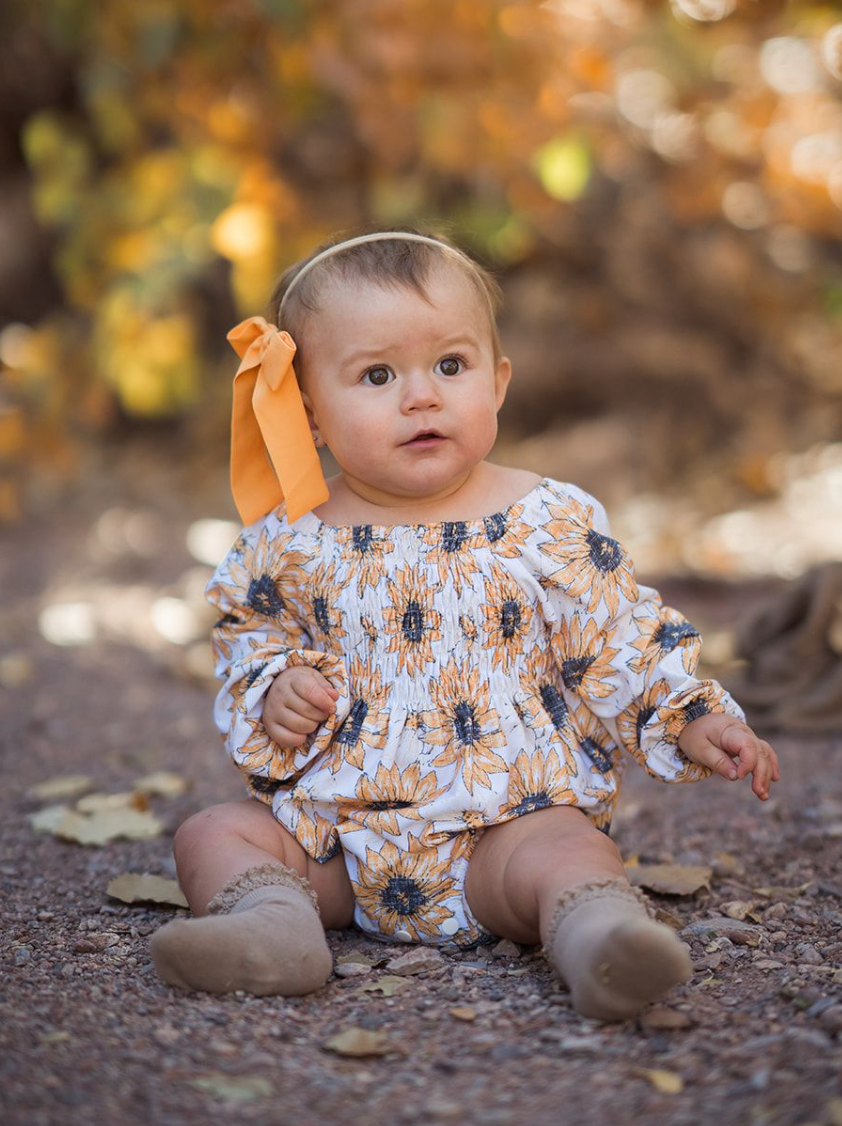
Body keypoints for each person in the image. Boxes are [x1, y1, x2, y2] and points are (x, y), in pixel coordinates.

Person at [150, 229, 780, 1021]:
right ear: (307, 411)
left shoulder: (545, 520)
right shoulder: (289, 540)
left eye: (451, 366)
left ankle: (599, 937)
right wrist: (276, 683)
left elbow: (618, 637)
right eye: (377, 375)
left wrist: (691, 716)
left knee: (571, 849)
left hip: (504, 827)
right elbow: (251, 634)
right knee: (211, 832)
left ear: (499, 381)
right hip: (338, 843)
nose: (422, 396)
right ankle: (275, 929)